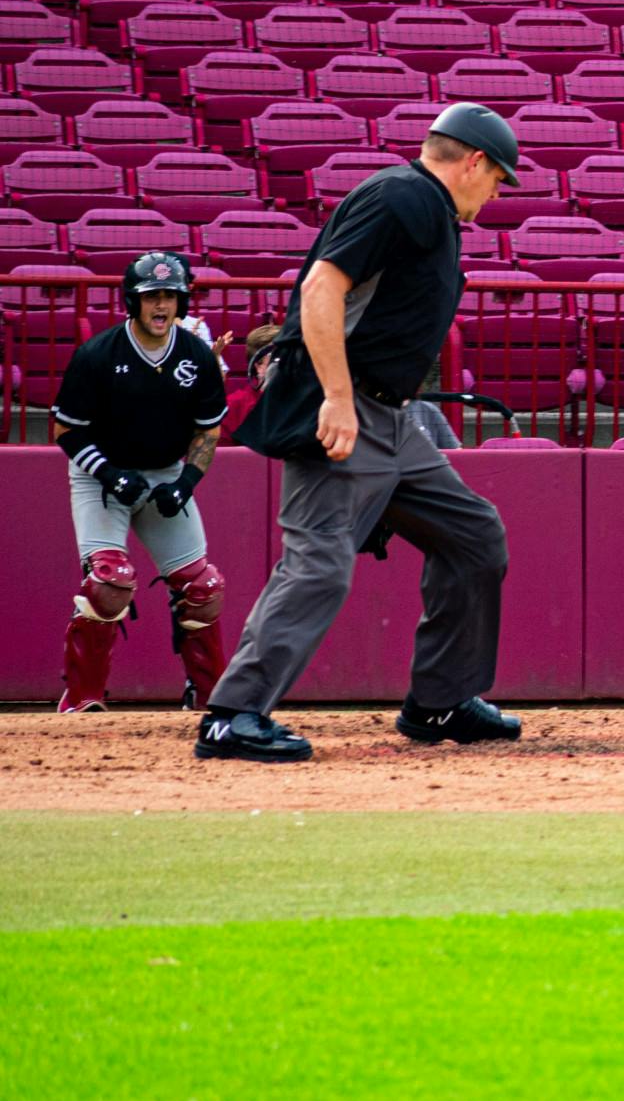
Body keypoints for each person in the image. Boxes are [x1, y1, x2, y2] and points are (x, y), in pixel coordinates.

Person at [198, 103, 523, 762]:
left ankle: (439, 702)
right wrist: (339, 399)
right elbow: (321, 286)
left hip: (393, 421)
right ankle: (233, 715)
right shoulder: (402, 195)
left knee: (472, 537)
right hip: (339, 405)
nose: (495, 195)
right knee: (319, 561)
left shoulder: (430, 209)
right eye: (498, 180)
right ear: (474, 162)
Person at [52, 252, 228, 713]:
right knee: (110, 583)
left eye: (170, 296)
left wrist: (187, 481)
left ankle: (208, 697)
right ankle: (83, 697)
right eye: (152, 296)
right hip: (102, 474)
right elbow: (67, 430)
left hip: (165, 472)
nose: (161, 305)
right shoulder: (97, 355)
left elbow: (208, 430)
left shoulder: (197, 359)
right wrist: (109, 474)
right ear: (133, 301)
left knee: (203, 586)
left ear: (181, 303)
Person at [219, 322, 283, 445]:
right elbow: (223, 459)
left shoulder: (311, 402)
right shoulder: (233, 408)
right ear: (258, 365)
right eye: (278, 355)